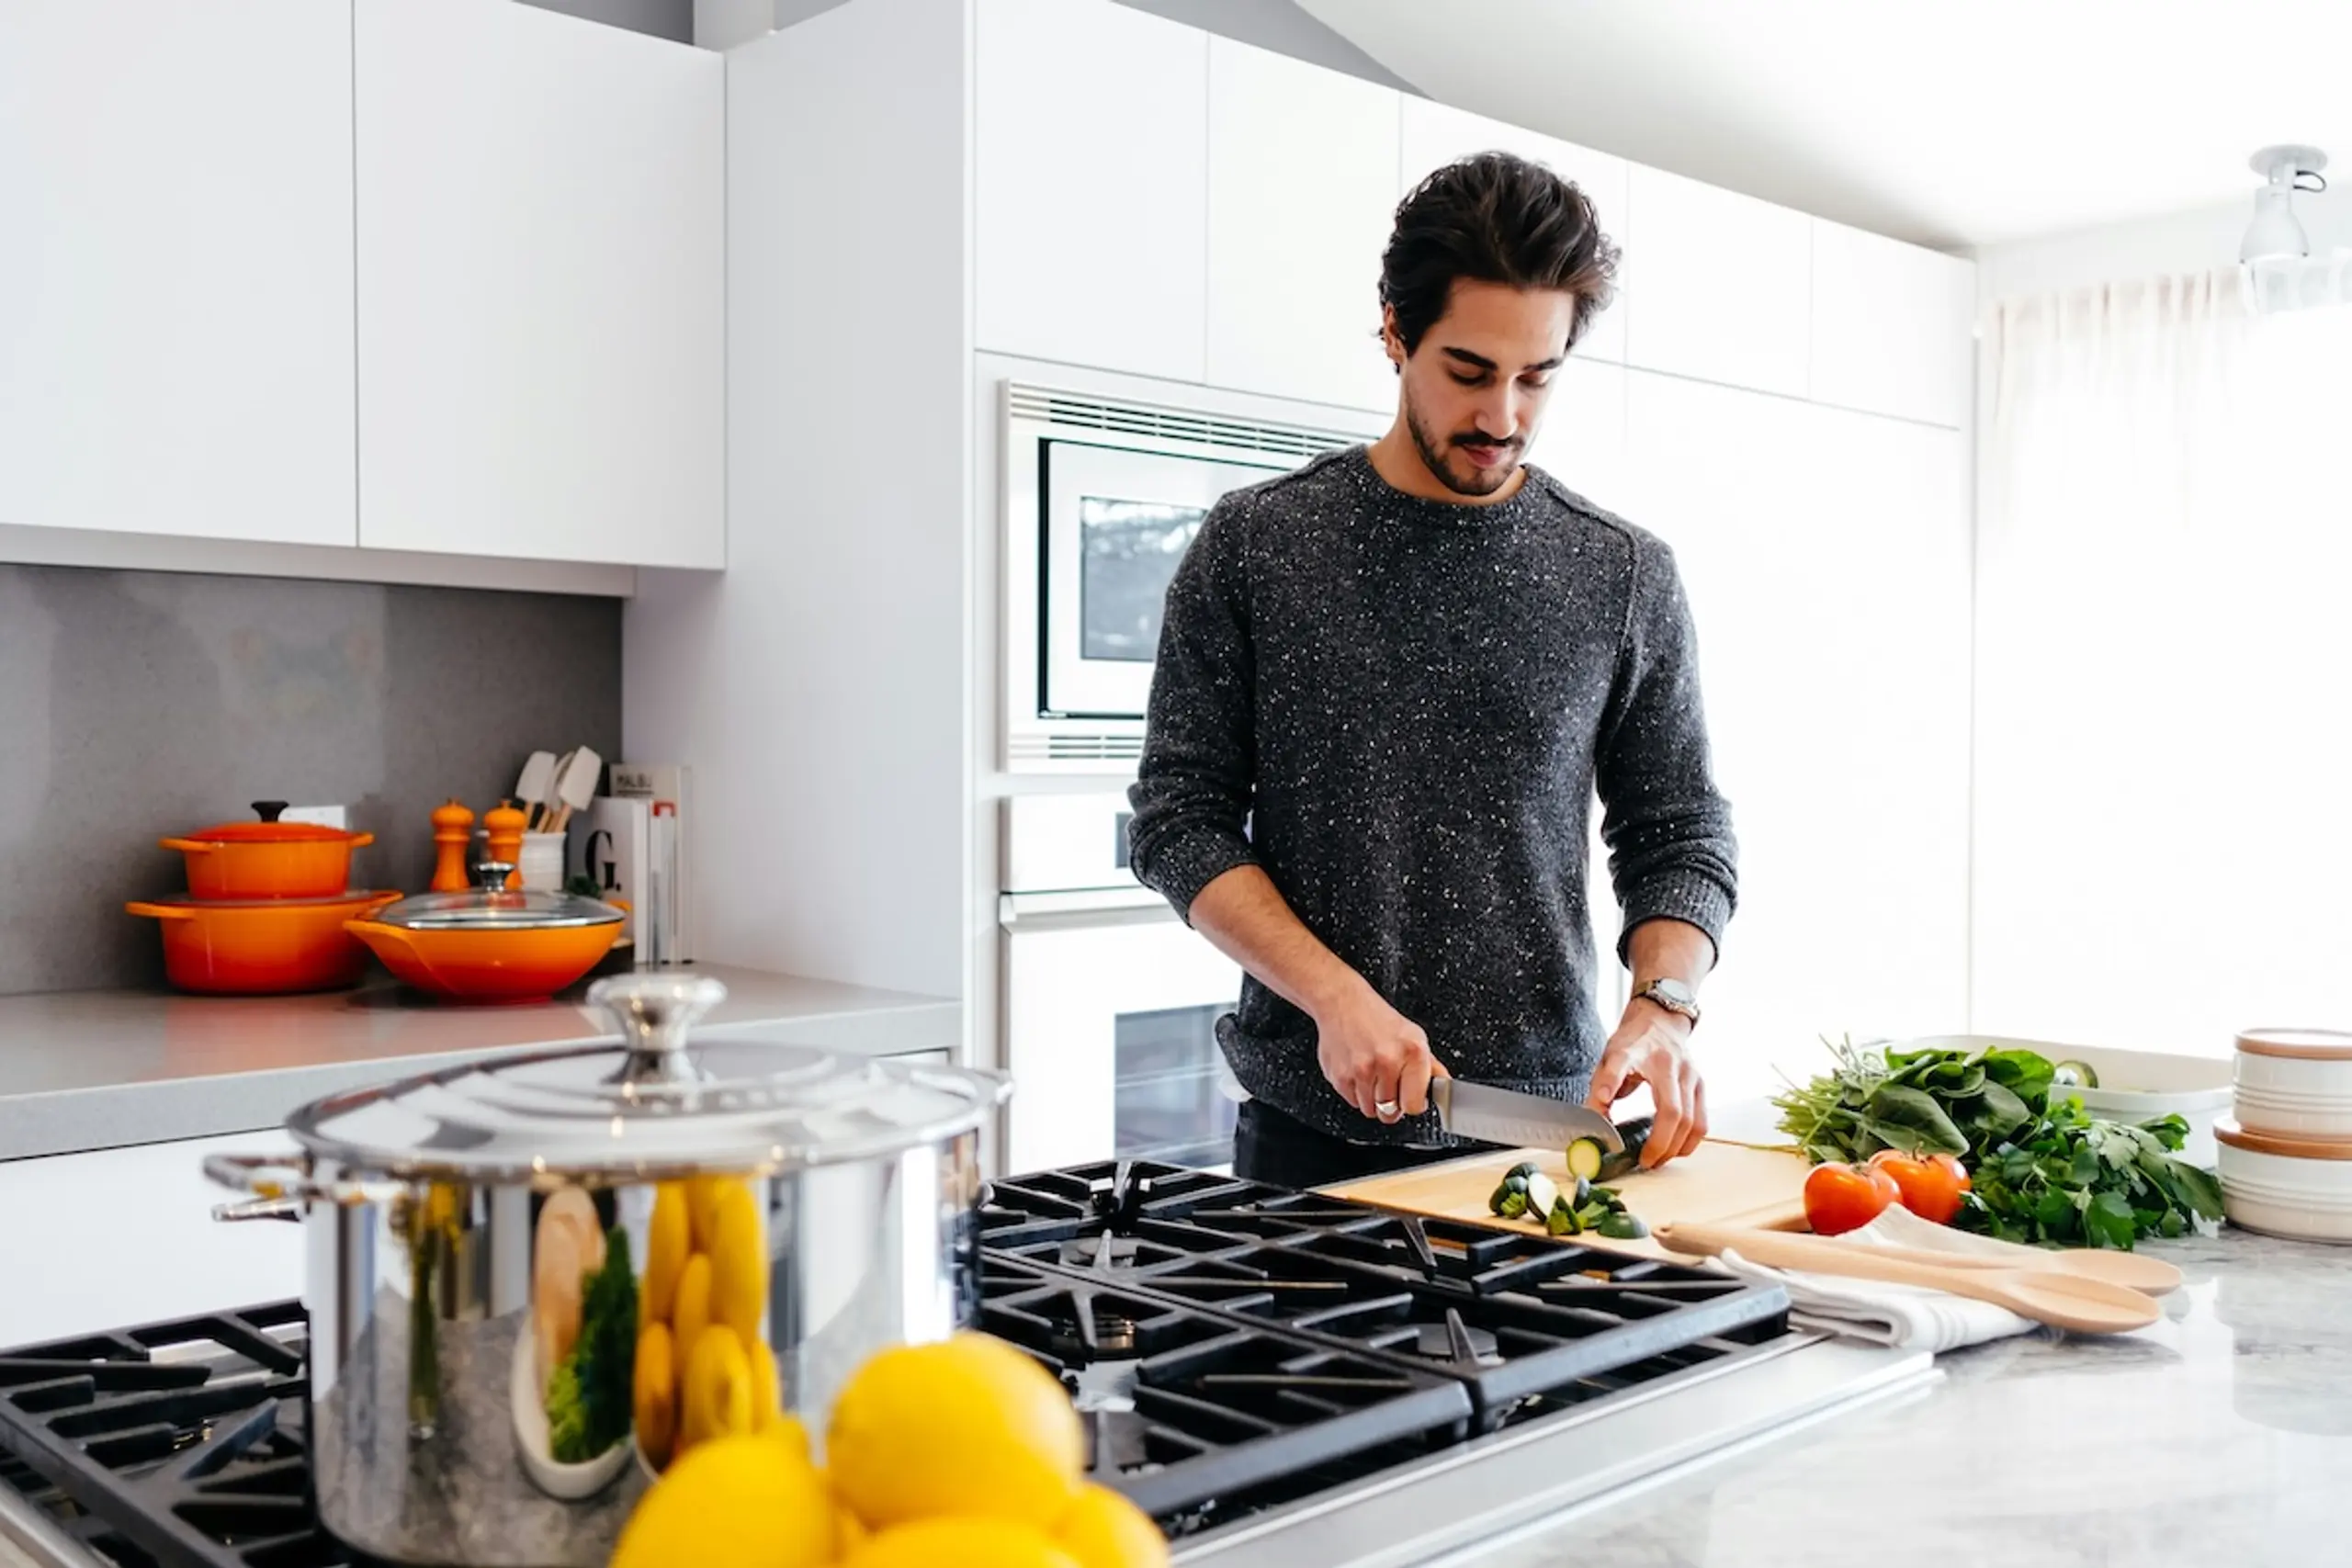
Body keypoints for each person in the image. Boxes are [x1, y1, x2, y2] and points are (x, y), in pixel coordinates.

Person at [1125, 152, 1737, 1191]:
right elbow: (1178, 821)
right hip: (1305, 1141)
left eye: (1536, 376)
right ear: (1394, 332)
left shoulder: (1622, 572)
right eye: (1468, 370)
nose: (1502, 414)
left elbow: (1679, 828)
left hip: (1545, 1135)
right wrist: (1332, 998)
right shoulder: (1257, 544)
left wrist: (1663, 1003)